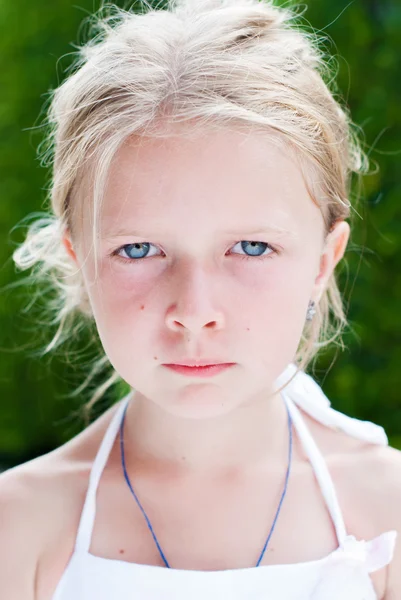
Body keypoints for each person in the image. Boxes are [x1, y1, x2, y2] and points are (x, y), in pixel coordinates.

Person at [1, 0, 400, 598]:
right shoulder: (20, 529)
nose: (193, 310)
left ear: (323, 261)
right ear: (81, 263)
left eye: (250, 247)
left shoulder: (386, 510)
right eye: (139, 250)